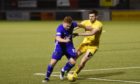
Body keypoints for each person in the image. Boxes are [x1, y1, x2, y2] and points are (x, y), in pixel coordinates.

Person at [42, 16, 89, 83]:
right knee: (52, 63)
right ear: (63, 23)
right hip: (59, 47)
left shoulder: (73, 24)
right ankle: (47, 77)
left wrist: (86, 27)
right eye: (67, 26)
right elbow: (58, 38)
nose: (68, 27)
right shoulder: (60, 28)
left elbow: (80, 25)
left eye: (69, 26)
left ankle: (63, 70)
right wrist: (65, 41)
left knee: (73, 62)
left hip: (69, 46)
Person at [72, 10, 103, 75]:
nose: (90, 18)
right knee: (74, 57)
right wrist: (68, 30)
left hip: (93, 47)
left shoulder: (99, 25)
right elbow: (76, 27)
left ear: (96, 17)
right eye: (89, 16)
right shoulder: (85, 22)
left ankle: (75, 73)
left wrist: (77, 34)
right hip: (84, 44)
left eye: (92, 16)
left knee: (83, 62)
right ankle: (65, 70)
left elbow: (92, 33)